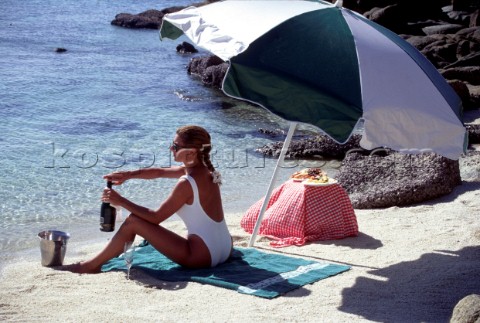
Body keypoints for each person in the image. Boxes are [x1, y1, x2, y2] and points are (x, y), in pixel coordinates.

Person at [64, 125, 232, 274]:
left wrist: (121, 201)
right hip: (224, 247)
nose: (170, 148)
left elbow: (156, 217)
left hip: (201, 256)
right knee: (135, 220)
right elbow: (159, 172)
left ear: (191, 152)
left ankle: (90, 266)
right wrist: (128, 175)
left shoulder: (186, 183)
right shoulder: (206, 171)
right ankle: (95, 262)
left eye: (175, 146)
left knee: (133, 222)